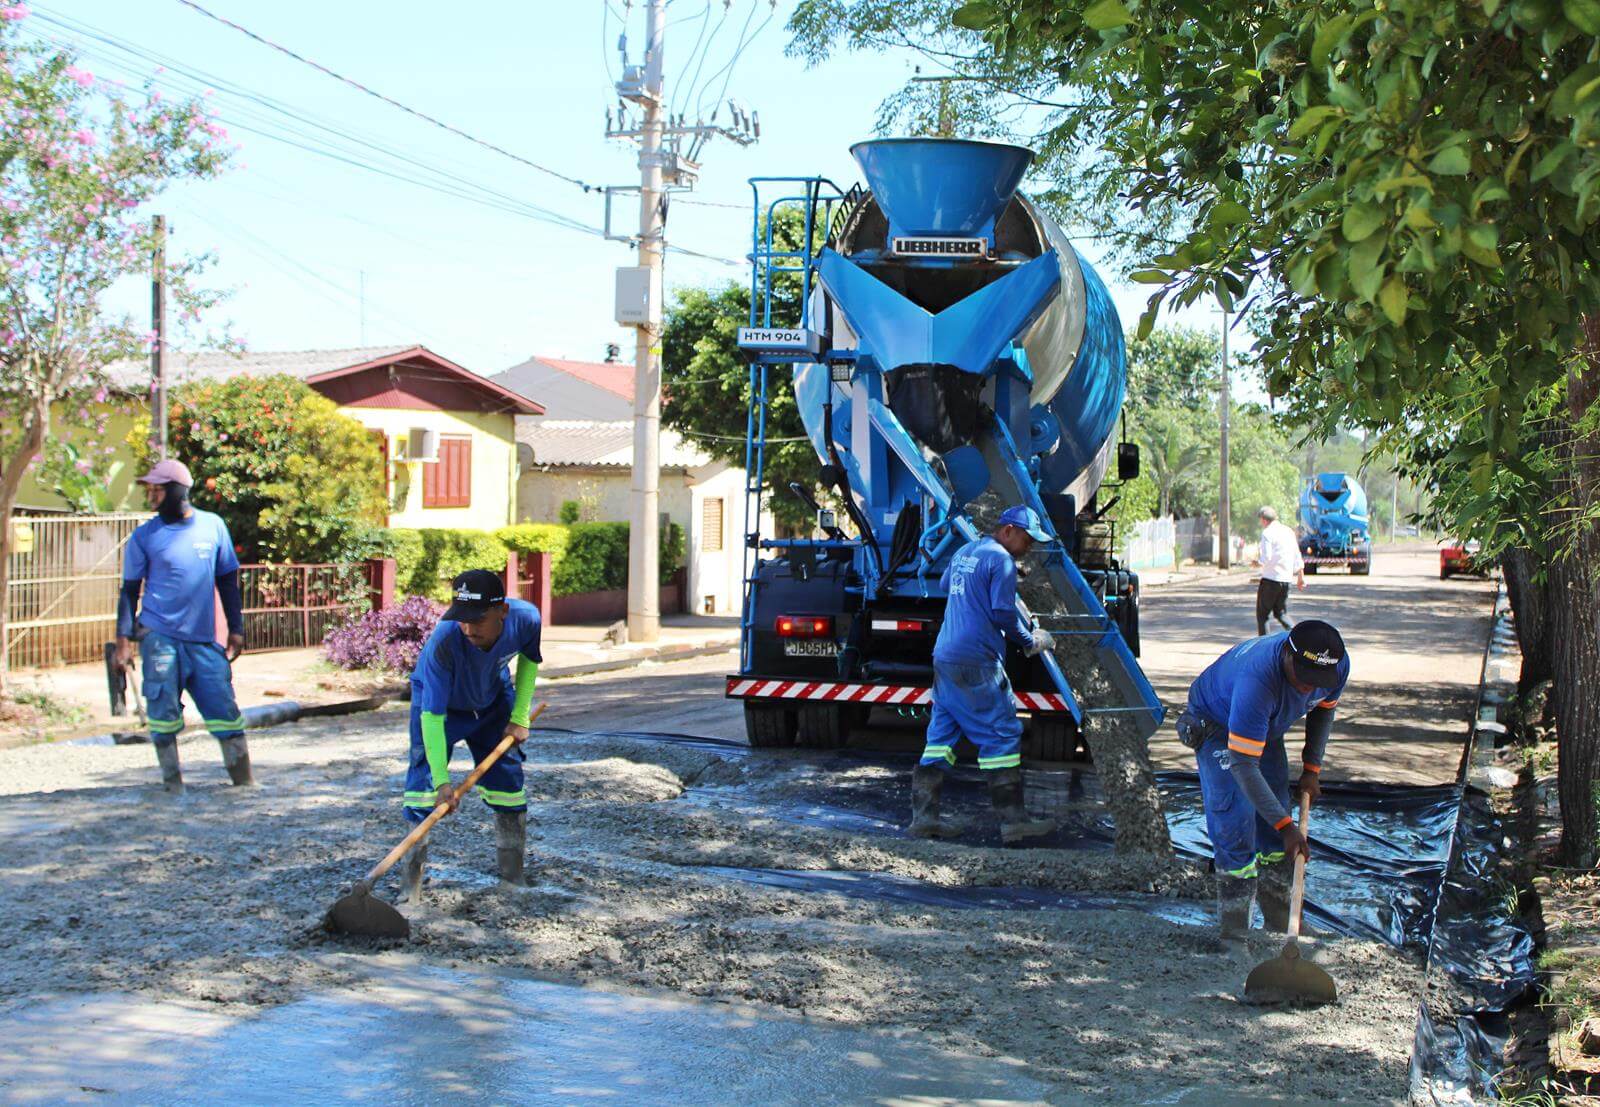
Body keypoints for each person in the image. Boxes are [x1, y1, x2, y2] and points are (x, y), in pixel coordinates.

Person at [1176, 620, 1349, 940]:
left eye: (1316, 681)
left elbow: (1323, 710)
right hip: (1217, 724)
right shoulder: (1258, 680)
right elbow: (1243, 765)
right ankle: (1234, 933)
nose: (1307, 688)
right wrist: (1287, 827)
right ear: (1287, 655)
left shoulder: (1336, 667)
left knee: (1274, 813)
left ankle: (1280, 919)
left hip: (1264, 726)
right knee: (1235, 821)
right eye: (1303, 678)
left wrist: (1312, 770)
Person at [909, 505, 1059, 844]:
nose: (1029, 547)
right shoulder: (1002, 560)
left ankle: (924, 818)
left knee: (941, 738)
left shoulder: (966, 550)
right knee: (1002, 733)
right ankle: (1014, 821)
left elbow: (947, 584)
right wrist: (1029, 640)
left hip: (944, 656)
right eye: (1027, 539)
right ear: (1007, 531)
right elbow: (1003, 612)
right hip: (976, 660)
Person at [402, 569, 542, 897]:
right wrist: (442, 783)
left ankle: (513, 878)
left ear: (502, 612)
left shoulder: (526, 619)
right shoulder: (445, 641)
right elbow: (433, 718)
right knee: (422, 792)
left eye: (477, 620)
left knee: (508, 784)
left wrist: (520, 716)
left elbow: (529, 661)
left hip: (492, 700)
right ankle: (410, 889)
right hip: (441, 707)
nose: (467, 628)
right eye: (462, 619)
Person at [114, 459, 249, 794]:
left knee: (224, 709)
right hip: (159, 637)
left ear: (179, 490)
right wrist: (123, 641)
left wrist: (236, 628)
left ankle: (244, 783)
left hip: (204, 640)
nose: (152, 495)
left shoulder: (213, 526)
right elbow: (129, 591)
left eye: (158, 489)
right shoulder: (144, 536)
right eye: (149, 489)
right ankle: (173, 787)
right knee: (162, 713)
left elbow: (227, 581)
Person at [1253, 506, 1305, 636]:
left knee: (1263, 615)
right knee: (1281, 613)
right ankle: (1298, 636)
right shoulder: (1288, 532)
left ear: (1264, 520)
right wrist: (1300, 577)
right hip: (1286, 580)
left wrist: (1256, 562)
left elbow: (1266, 558)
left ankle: (1263, 644)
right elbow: (1297, 555)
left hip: (1270, 580)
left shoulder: (1267, 533)